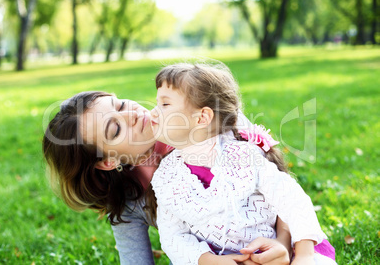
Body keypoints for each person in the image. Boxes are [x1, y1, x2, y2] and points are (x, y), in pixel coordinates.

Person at [42, 90, 294, 265]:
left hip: (269, 242)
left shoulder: (200, 117)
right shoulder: (129, 203)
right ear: (109, 161)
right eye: (115, 128)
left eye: (119, 105)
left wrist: (282, 243)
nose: (131, 114)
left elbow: (282, 188)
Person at [149, 63, 337, 265]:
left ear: (202, 117)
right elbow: (173, 235)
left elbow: (292, 199)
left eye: (165, 105)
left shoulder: (244, 156)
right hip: (220, 260)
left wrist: (304, 255)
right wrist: (211, 261)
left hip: (273, 252)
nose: (152, 112)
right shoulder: (166, 176)